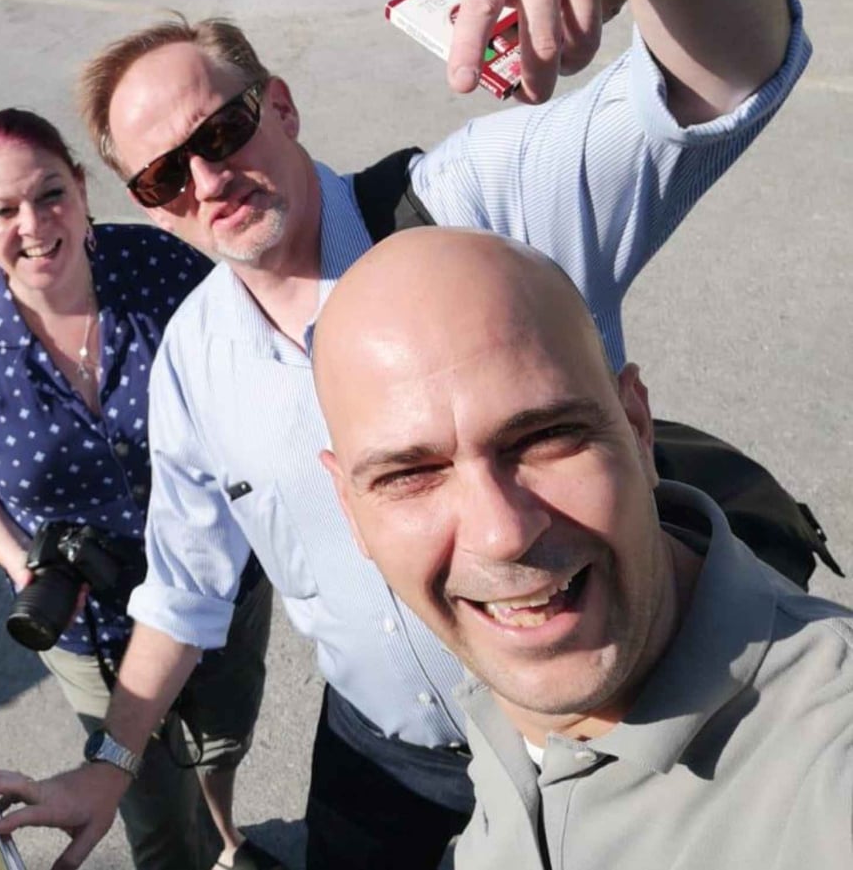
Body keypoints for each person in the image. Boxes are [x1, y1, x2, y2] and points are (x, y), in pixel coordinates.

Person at [0, 0, 812, 867]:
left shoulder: (479, 205)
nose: (207, 178)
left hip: (609, 729)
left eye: (223, 130)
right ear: (148, 205)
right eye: (163, 175)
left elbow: (731, 72)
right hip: (386, 762)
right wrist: (109, 764)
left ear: (281, 106)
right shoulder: (194, 358)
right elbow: (186, 588)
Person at [311, 228, 853, 869]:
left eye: (544, 437)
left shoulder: (828, 762)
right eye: (409, 475)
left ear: (638, 427)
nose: (501, 535)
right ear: (350, 508)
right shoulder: (507, 682)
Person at [0, 109, 282, 870]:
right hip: (91, 627)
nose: (34, 224)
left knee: (222, 740)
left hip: (221, 580)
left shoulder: (160, 268)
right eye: (3, 210)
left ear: (82, 190)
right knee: (149, 809)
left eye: (51, 193)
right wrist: (18, 561)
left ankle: (226, 838)